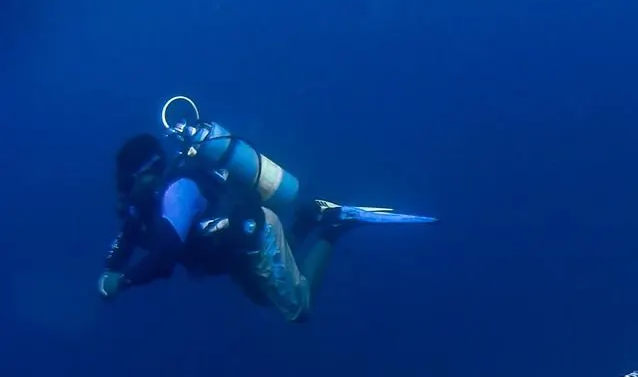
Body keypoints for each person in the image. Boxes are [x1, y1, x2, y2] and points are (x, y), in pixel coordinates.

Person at [98, 100, 435, 322]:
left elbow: (167, 253)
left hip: (256, 232)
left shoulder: (178, 193)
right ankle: (309, 217)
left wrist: (126, 281)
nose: (125, 189)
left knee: (298, 309)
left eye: (130, 179)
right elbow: (127, 237)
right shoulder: (145, 206)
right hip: (242, 245)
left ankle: (335, 225)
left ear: (147, 173)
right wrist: (110, 269)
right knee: (263, 296)